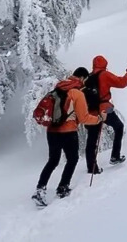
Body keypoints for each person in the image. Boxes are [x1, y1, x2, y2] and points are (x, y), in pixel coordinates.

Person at [32, 68, 106, 206]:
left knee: (52, 161)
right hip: (68, 132)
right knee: (72, 159)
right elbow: (84, 118)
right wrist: (99, 119)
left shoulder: (58, 88)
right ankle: (63, 187)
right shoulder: (77, 93)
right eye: (85, 79)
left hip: (52, 131)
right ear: (82, 78)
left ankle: (40, 190)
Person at [85, 56, 127, 174]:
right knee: (119, 127)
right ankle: (115, 156)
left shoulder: (89, 77)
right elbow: (122, 83)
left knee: (92, 139)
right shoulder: (104, 75)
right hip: (104, 109)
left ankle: (92, 168)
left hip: (91, 111)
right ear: (105, 65)